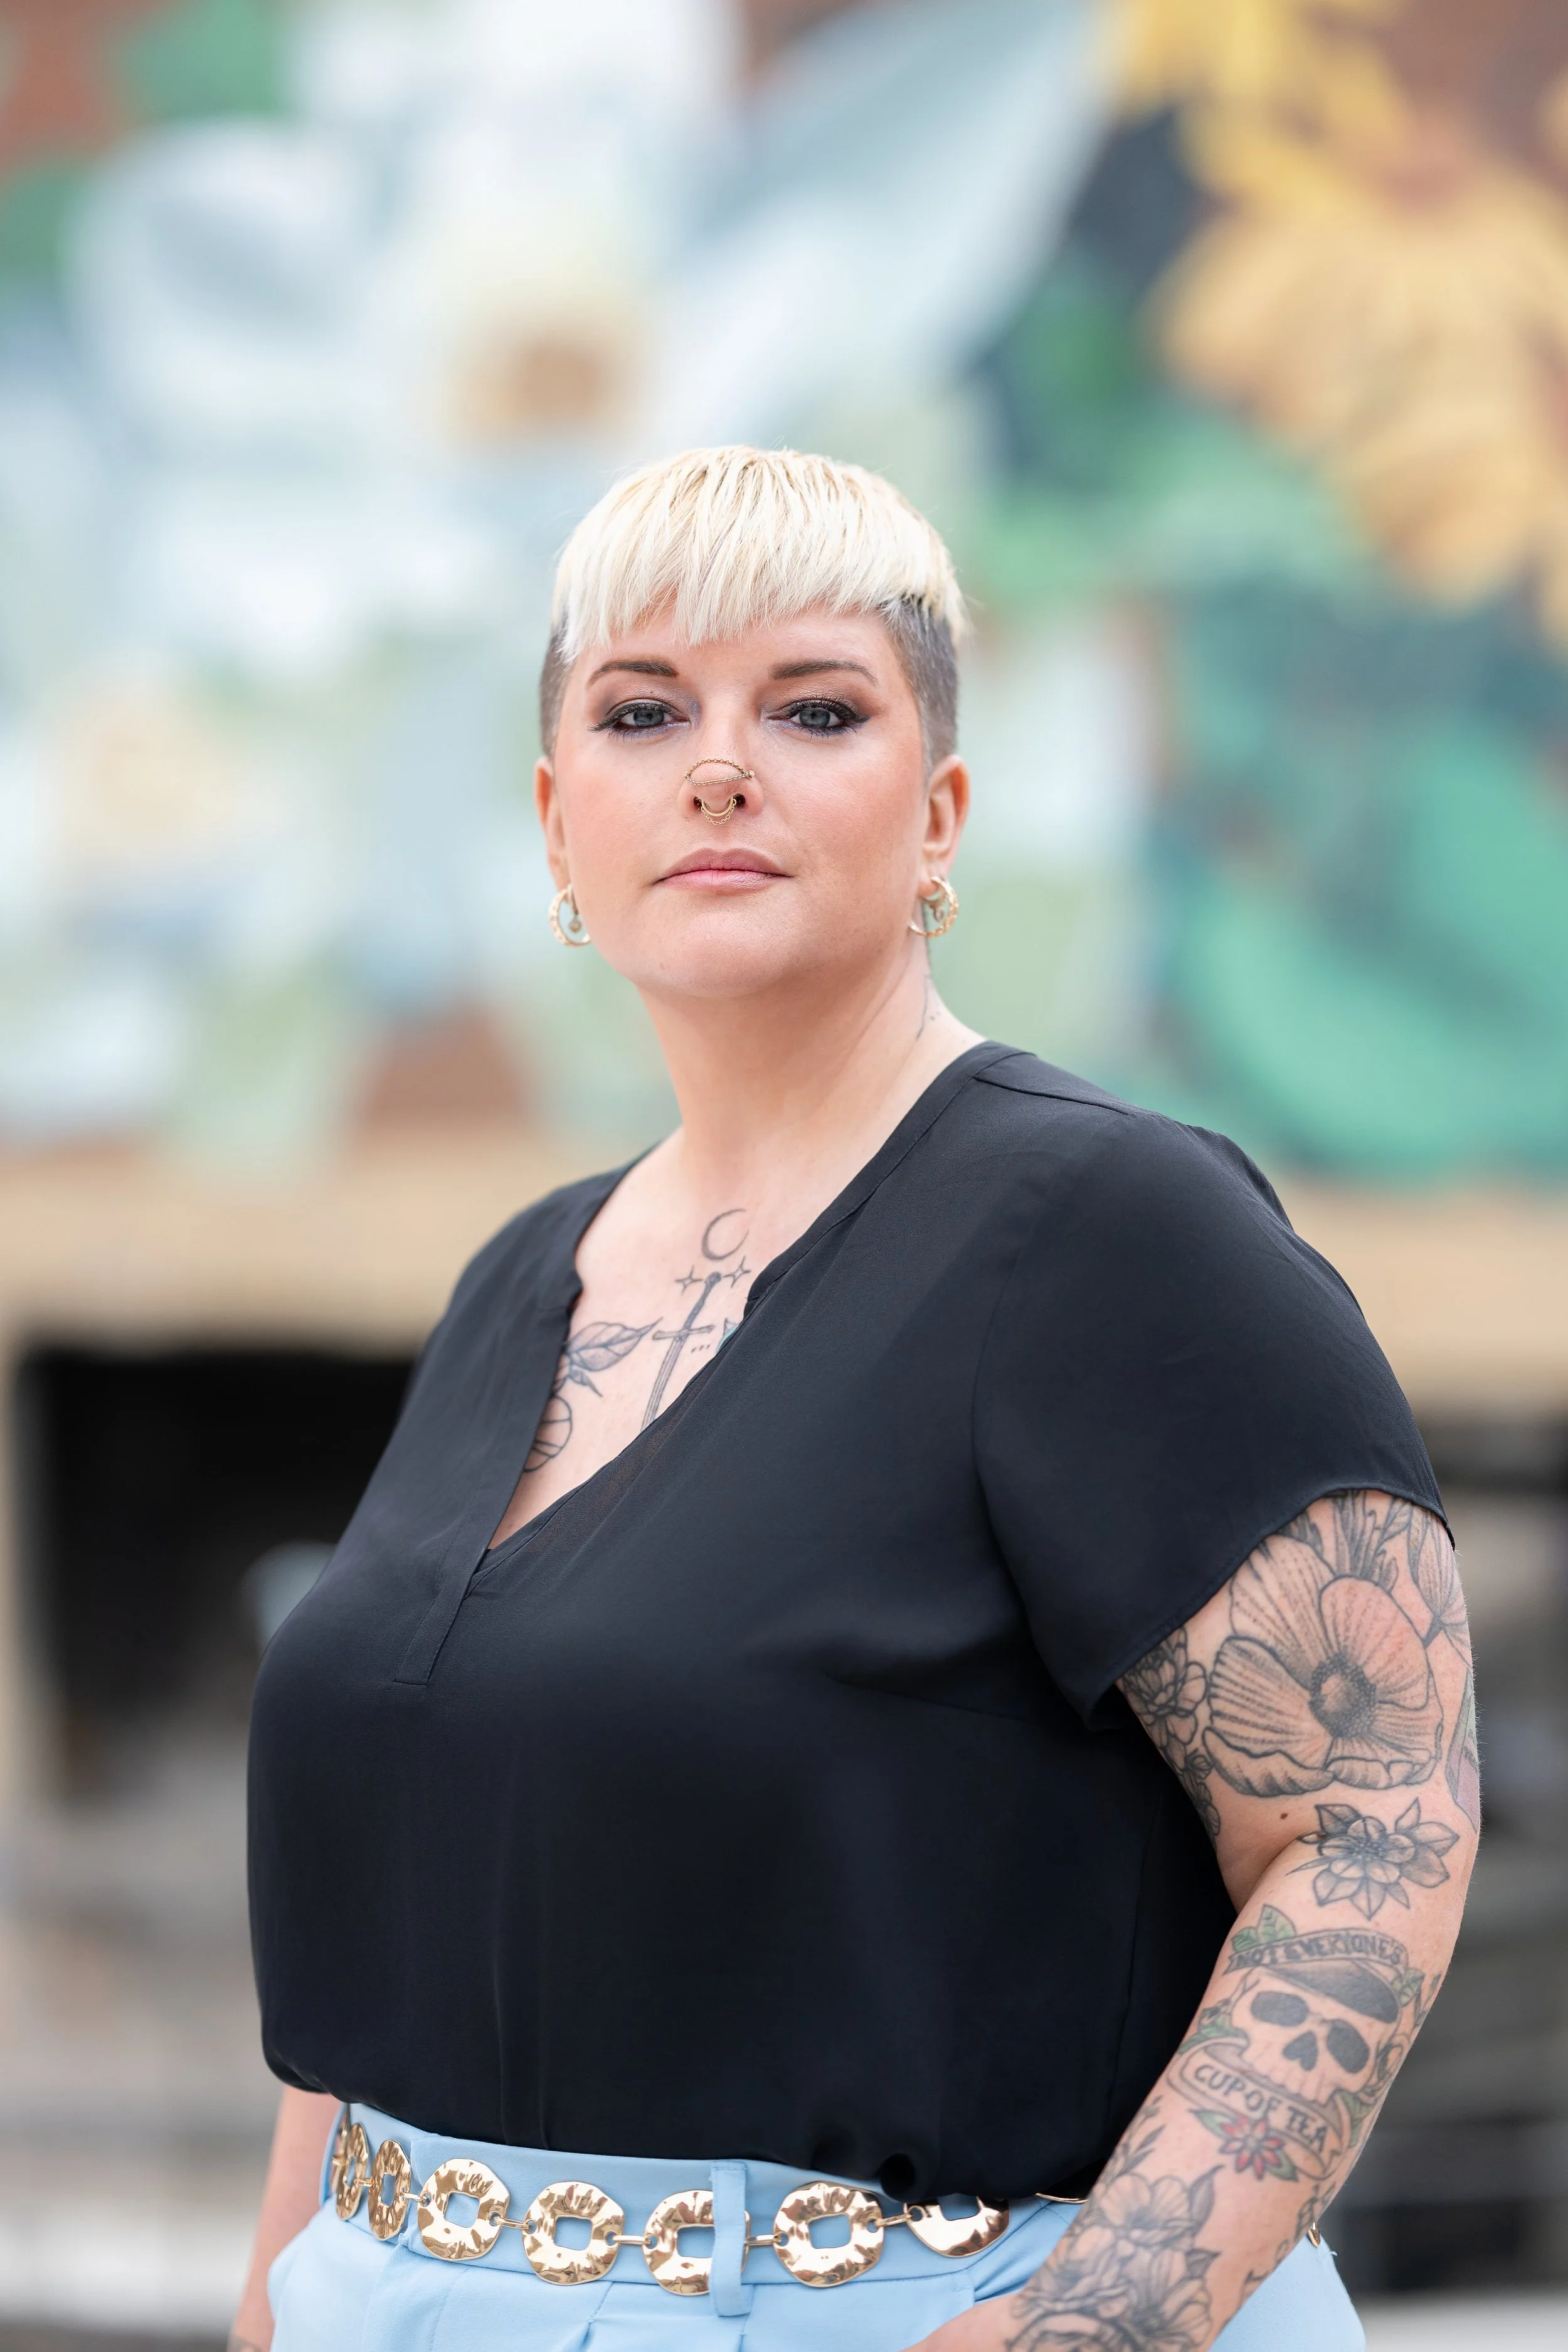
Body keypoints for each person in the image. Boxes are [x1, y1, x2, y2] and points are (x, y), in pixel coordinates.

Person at [233, 447, 1476, 2352]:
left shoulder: (1108, 1230)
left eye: (814, 707)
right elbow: (395, 1913)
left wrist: (1083, 2334)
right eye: (642, 712)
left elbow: (1373, 1822)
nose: (719, 765)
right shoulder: (519, 1280)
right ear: (560, 822)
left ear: (941, 812)